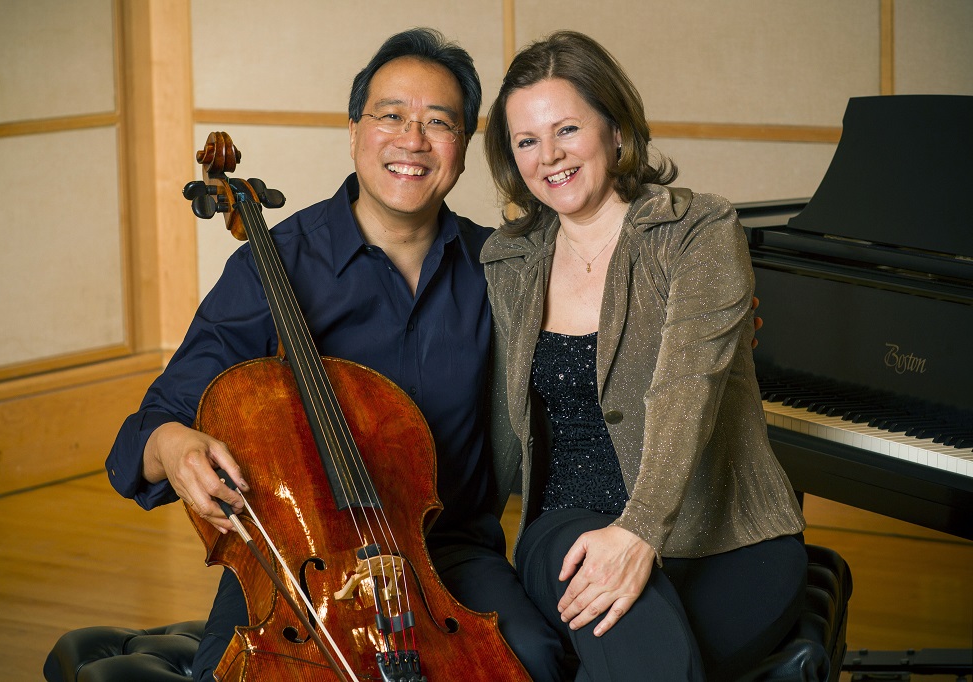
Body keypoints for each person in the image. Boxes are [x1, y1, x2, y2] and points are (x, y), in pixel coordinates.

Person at [105, 28, 567, 682]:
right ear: (353, 131)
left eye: (438, 122)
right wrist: (176, 446)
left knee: (535, 664)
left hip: (449, 560)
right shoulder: (275, 264)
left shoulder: (502, 269)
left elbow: (592, 335)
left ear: (462, 150)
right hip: (294, 567)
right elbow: (148, 431)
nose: (412, 139)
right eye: (391, 116)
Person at [480, 30, 807, 681]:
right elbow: (495, 426)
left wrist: (640, 533)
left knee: (635, 657)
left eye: (568, 128)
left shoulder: (698, 232)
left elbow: (687, 385)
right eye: (526, 141)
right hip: (566, 533)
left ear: (617, 130)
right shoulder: (509, 260)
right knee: (622, 631)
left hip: (729, 540)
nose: (550, 155)